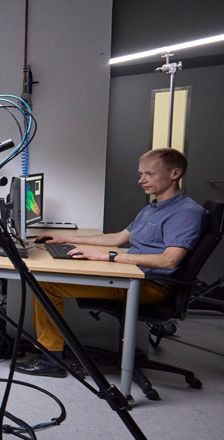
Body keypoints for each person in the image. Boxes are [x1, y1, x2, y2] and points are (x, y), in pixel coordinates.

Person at [18, 148, 207, 377]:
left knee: (44, 285)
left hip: (150, 285)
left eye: (149, 174)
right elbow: (118, 238)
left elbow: (169, 261)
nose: (141, 180)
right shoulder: (152, 208)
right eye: (140, 173)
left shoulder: (186, 212)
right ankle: (51, 352)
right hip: (133, 275)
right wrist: (66, 238)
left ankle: (51, 359)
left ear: (175, 173)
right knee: (46, 281)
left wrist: (109, 257)